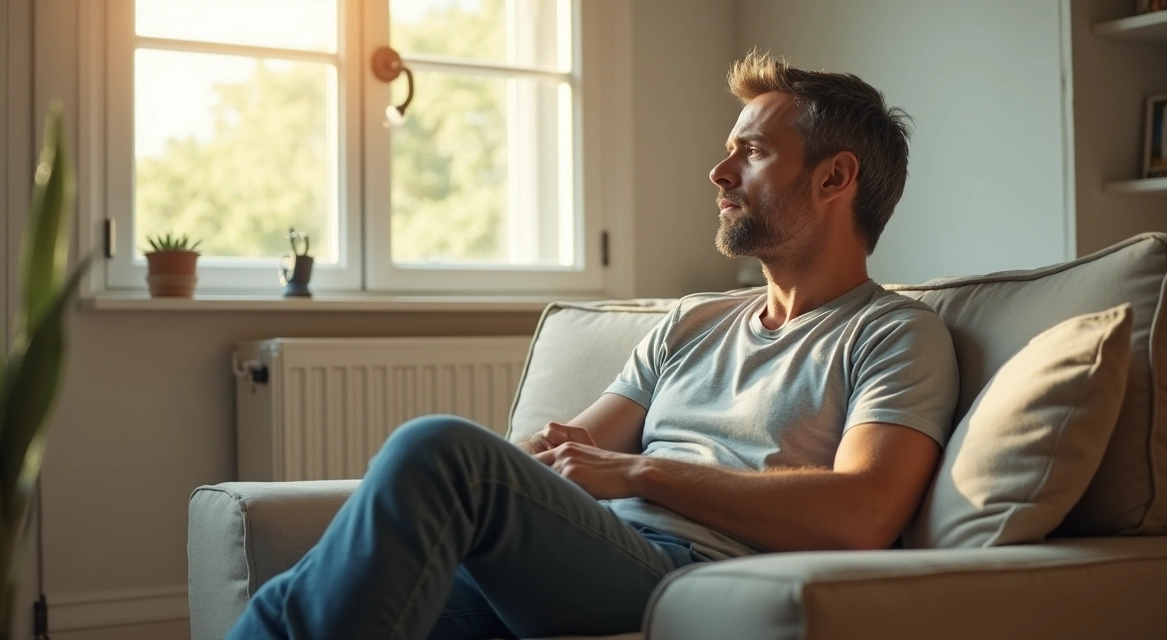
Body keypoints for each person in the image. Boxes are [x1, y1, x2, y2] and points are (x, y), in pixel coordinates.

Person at [227, 50, 959, 640]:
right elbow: (573, 453)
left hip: (681, 573)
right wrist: (556, 472)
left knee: (438, 450)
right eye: (728, 150)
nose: (720, 172)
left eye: (754, 151)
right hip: (579, 554)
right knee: (300, 593)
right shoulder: (693, 323)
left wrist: (643, 473)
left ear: (835, 177)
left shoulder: (893, 334)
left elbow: (862, 512)